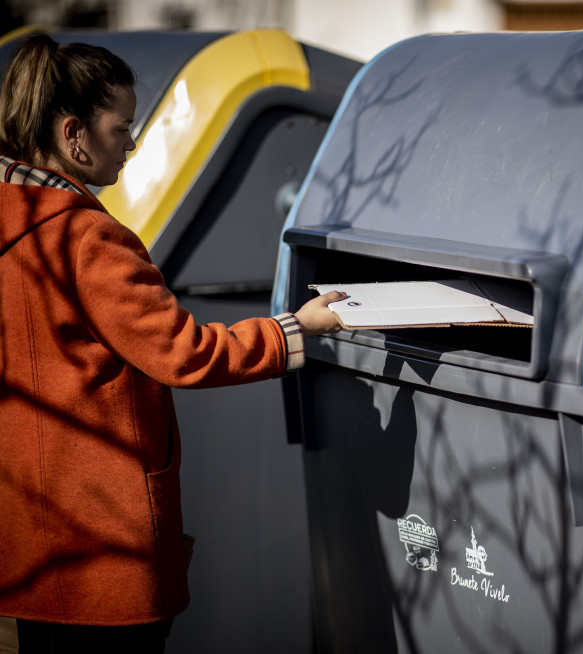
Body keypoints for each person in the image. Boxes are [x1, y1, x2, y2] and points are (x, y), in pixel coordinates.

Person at [0, 34, 345, 652]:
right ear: (74, 135)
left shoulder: (14, 226)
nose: (131, 143)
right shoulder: (87, 239)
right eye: (121, 127)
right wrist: (297, 329)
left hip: (33, 541)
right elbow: (183, 351)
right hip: (104, 546)